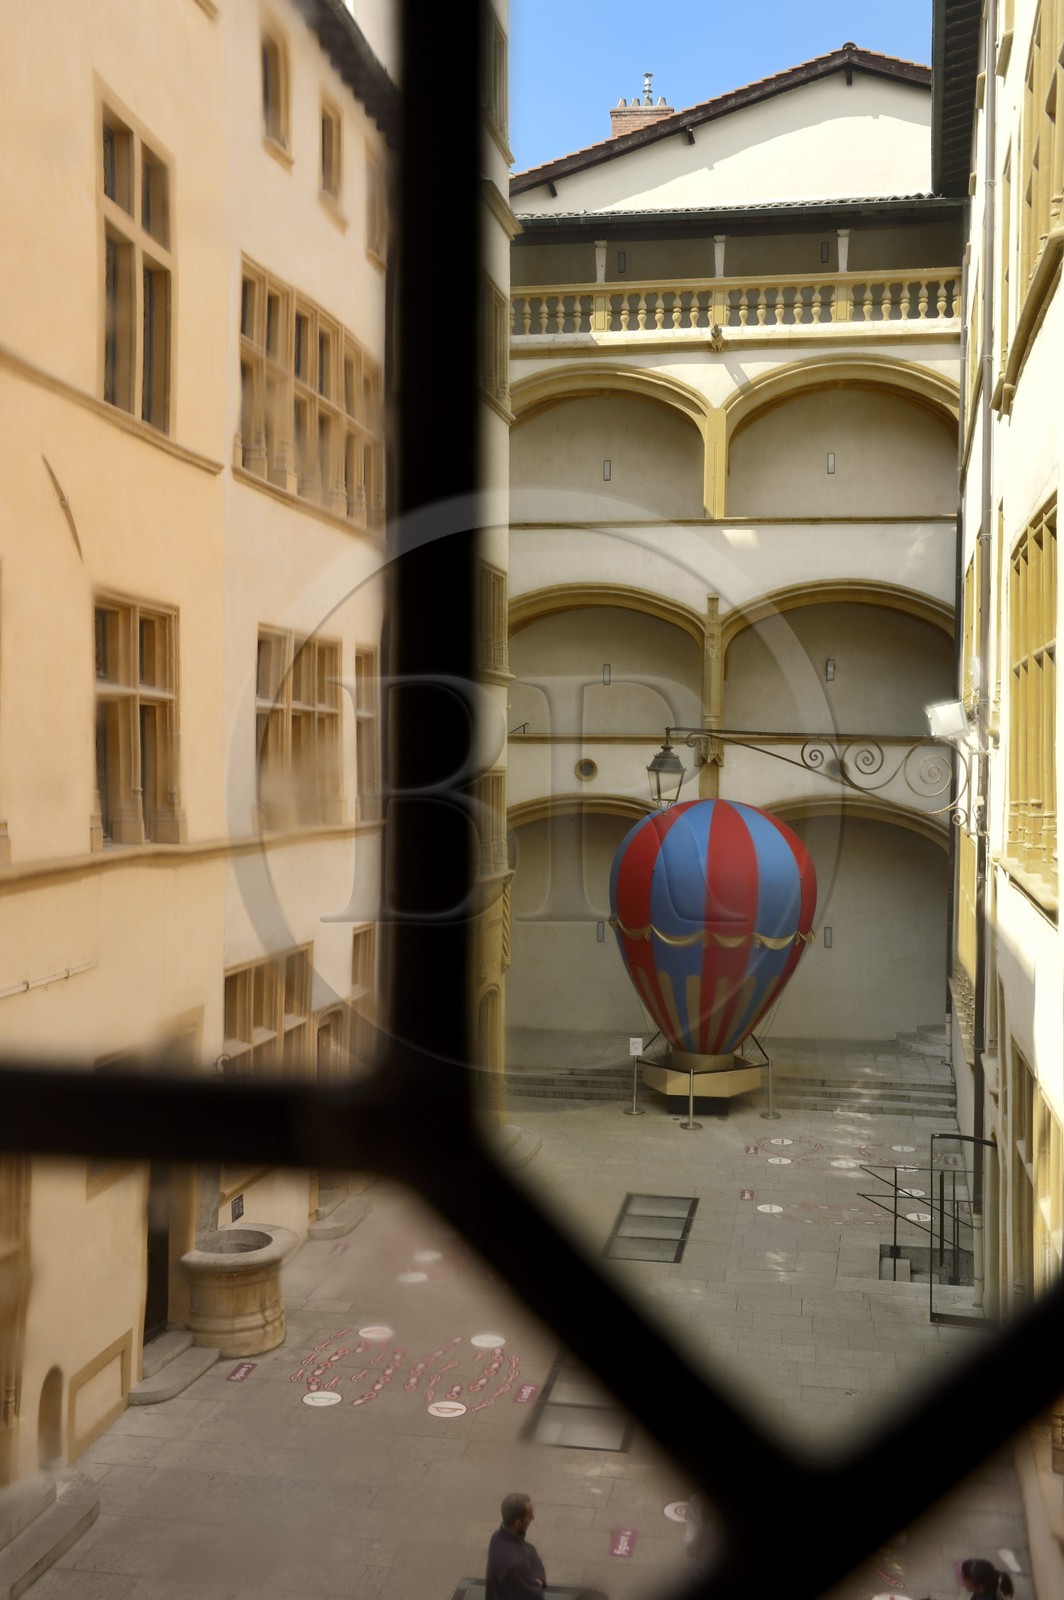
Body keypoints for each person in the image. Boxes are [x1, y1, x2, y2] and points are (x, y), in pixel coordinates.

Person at [486, 1494, 546, 1599]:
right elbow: (535, 1595)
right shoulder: (514, 1564)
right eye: (529, 1515)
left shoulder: (497, 1536)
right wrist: (538, 1580)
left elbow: (529, 1549)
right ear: (517, 1523)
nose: (533, 1518)